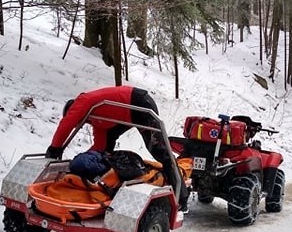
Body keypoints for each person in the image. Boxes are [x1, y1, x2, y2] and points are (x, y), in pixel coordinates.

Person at [46, 85, 189, 210]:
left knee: (161, 152)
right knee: (105, 150)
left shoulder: (83, 102)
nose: (83, 125)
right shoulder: (99, 117)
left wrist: (54, 148)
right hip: (126, 110)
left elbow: (66, 124)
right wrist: (82, 162)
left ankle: (181, 196)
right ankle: (106, 186)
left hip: (139, 103)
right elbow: (100, 147)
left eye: (80, 123)